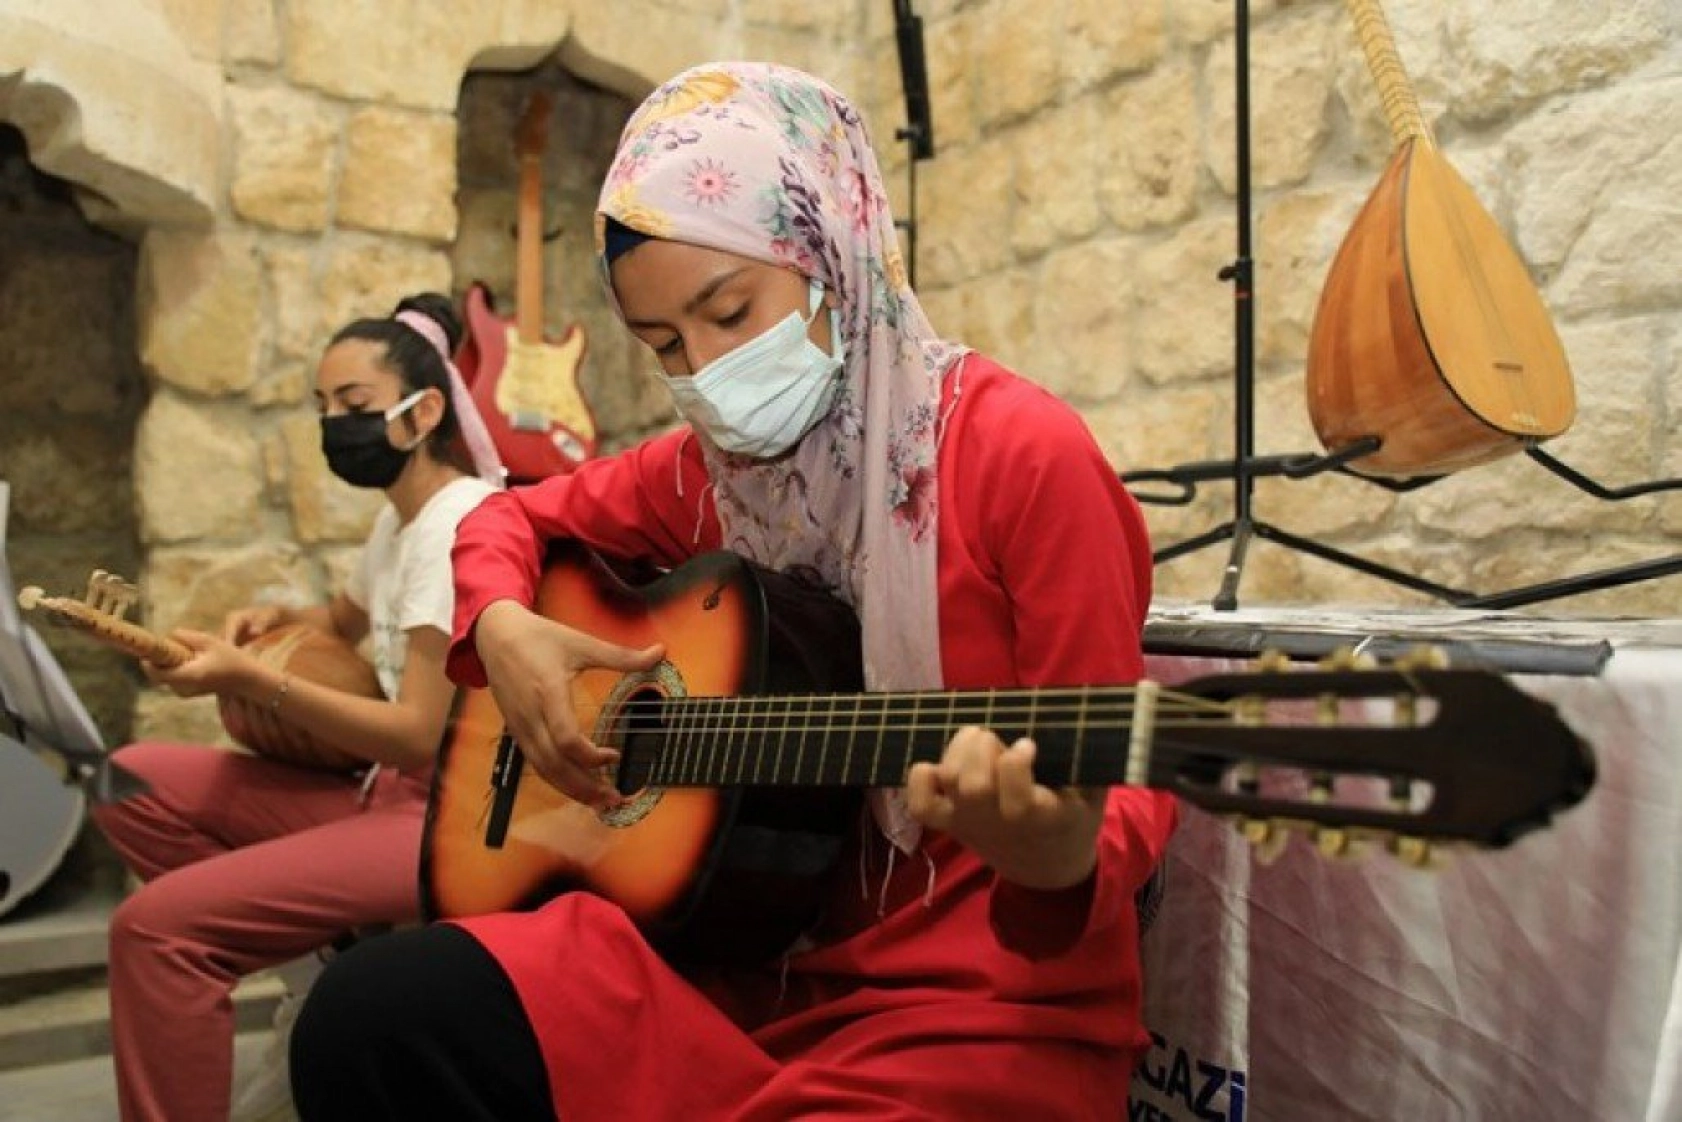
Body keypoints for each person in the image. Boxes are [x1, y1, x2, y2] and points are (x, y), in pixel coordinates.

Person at [289, 62, 1177, 1122]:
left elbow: (1120, 787)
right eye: (664, 345)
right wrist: (504, 626)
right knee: (370, 1013)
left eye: (730, 312)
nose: (704, 374)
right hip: (733, 965)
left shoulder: (1020, 455)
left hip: (973, 1010)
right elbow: (502, 518)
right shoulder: (701, 476)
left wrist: (1056, 852)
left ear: (829, 253)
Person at [89, 291, 502, 1122]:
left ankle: (282, 970)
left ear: (424, 413)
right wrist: (275, 619)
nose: (333, 424)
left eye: (353, 404)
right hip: (379, 797)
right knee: (127, 780)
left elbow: (417, 735)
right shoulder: (400, 524)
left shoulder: (459, 524)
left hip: (450, 819)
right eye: (323, 406)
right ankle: (318, 969)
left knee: (157, 930)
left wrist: (251, 680)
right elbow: (342, 621)